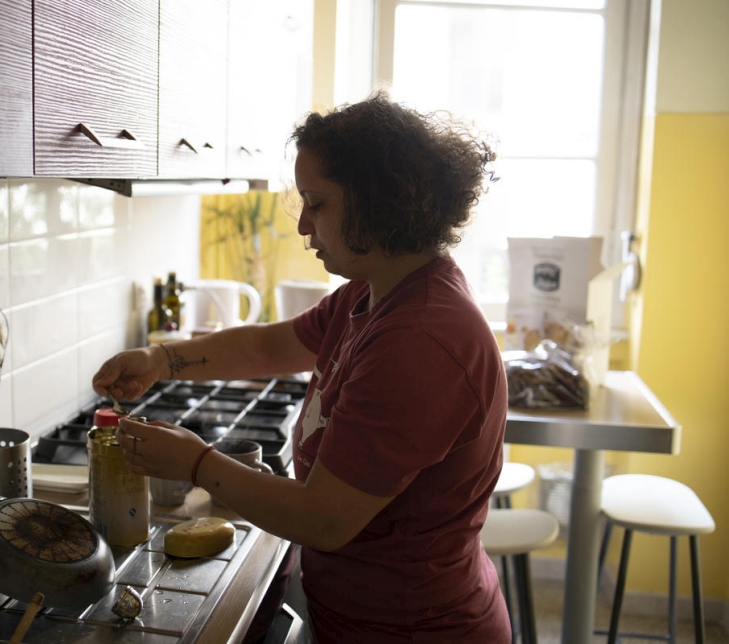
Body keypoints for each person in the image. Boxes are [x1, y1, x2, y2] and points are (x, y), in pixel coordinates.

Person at [92, 91, 509, 642]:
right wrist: (159, 359)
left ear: (376, 203)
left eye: (317, 203)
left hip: (418, 629)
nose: (304, 226)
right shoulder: (375, 290)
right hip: (362, 617)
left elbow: (323, 520)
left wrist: (195, 463)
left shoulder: (422, 340)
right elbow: (267, 349)